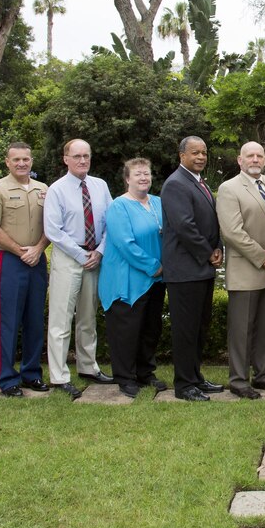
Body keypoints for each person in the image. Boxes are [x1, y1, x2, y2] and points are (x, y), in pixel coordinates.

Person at [44, 139, 114, 400]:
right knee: (61, 320)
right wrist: (81, 254)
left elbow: (110, 221)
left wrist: (100, 251)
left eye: (86, 155)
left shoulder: (100, 186)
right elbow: (53, 230)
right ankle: (59, 376)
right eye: (77, 156)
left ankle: (88, 366)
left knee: (88, 317)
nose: (82, 160)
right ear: (66, 159)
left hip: (94, 257)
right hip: (68, 258)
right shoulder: (57, 190)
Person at [0, 142, 50, 397]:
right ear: (7, 162)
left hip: (37, 260)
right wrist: (22, 251)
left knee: (34, 320)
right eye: (16, 160)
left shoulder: (43, 189)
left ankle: (31, 373)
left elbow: (51, 225)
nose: (22, 163)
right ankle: (7, 378)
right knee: (9, 320)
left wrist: (39, 249)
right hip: (10, 261)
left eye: (26, 159)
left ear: (31, 161)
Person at [216, 141, 265, 399]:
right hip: (246, 268)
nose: (255, 159)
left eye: (259, 155)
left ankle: (264, 376)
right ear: (240, 160)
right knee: (242, 329)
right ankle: (238, 380)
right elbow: (232, 232)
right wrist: (261, 256)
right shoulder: (229, 188)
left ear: (264, 160)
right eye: (250, 156)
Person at [162, 136, 224, 401]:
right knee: (186, 330)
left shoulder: (198, 182)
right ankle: (184, 385)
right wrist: (208, 252)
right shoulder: (175, 184)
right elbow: (185, 226)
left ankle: (195, 377)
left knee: (199, 327)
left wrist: (218, 245)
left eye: (204, 152)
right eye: (195, 153)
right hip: (185, 270)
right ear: (181, 155)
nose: (201, 157)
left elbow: (211, 221)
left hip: (201, 268)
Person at [100, 159, 166, 398]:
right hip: (127, 278)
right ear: (127, 179)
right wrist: (153, 266)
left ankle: (145, 373)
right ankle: (125, 377)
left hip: (157, 280)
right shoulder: (119, 207)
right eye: (137, 174)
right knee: (126, 331)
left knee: (150, 328)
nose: (143, 178)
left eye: (146, 174)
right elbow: (125, 243)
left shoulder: (159, 202)